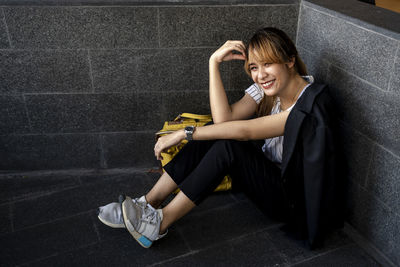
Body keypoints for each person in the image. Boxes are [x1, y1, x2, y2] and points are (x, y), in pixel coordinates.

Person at [98, 27, 344, 249]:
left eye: (268, 64)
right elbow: (224, 121)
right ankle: (148, 204)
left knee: (227, 144)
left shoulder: (308, 106)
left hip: (292, 201)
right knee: (213, 132)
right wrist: (213, 63)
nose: (260, 75)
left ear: (290, 60)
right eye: (254, 68)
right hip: (269, 176)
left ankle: (159, 223)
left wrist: (183, 134)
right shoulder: (268, 89)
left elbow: (243, 131)